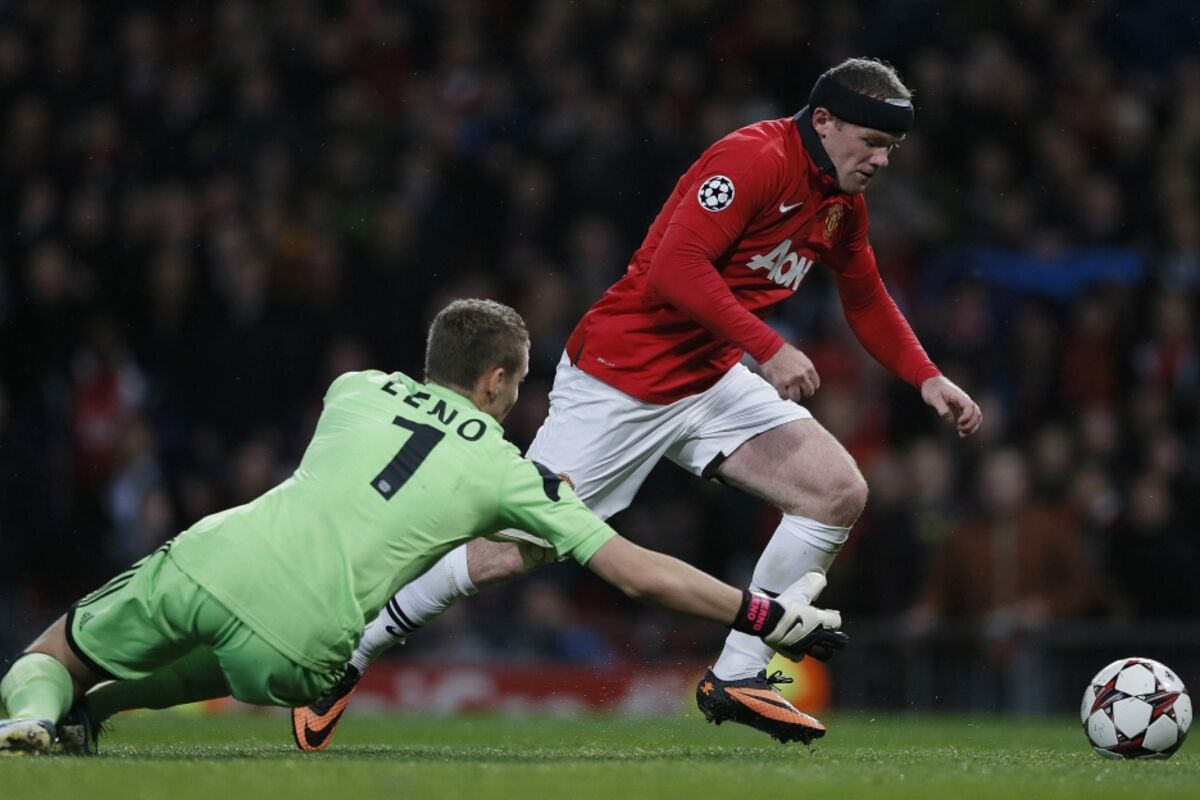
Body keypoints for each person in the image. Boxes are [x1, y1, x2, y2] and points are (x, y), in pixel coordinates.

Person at [290, 56, 983, 749]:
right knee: (511, 552)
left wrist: (926, 377)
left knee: (836, 492)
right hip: (621, 380)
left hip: (708, 377)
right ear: (824, 122)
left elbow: (865, 296)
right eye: (873, 142)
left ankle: (739, 675)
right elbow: (675, 268)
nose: (882, 160)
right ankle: (354, 650)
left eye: (891, 148)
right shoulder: (753, 160)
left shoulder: (841, 203)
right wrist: (767, 346)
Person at [0, 299, 846, 756]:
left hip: (215, 559)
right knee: (231, 659)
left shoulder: (355, 388)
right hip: (304, 648)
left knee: (54, 653)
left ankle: (29, 717)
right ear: (497, 381)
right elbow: (636, 572)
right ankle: (93, 713)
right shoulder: (510, 474)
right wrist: (762, 615)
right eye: (519, 384)